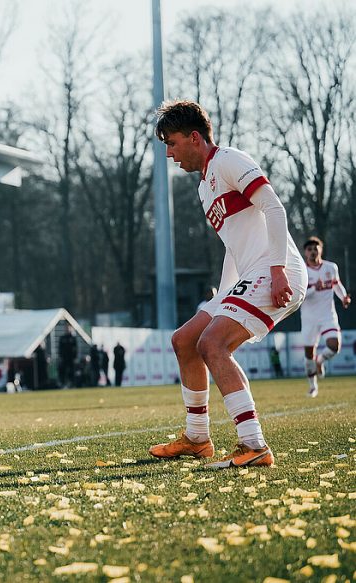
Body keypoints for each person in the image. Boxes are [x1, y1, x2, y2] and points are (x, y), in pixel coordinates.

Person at [149, 100, 306, 469]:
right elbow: (234, 247)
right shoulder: (205, 187)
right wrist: (221, 297)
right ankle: (197, 438)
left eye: (171, 143)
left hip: (275, 270)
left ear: (194, 137)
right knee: (184, 340)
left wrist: (279, 268)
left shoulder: (229, 160)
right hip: (252, 273)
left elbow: (275, 208)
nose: (169, 154)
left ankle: (253, 445)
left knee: (212, 344)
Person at [298, 236, 350, 397]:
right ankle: (313, 387)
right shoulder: (301, 271)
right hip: (309, 318)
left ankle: (320, 360)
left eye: (316, 248)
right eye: (309, 249)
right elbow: (299, 296)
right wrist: (314, 288)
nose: (313, 251)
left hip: (328, 314)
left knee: (334, 345)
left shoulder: (330, 267)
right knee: (308, 354)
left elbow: (337, 284)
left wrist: (343, 297)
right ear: (305, 253)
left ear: (321, 250)